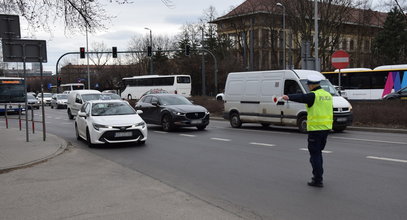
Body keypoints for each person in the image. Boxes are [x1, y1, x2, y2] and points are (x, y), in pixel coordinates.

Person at [281, 75, 333, 187]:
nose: (308, 87)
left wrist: (288, 97)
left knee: (315, 155)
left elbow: (301, 97)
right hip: (326, 128)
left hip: (315, 129)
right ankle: (318, 176)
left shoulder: (313, 95)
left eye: (308, 85)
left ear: (312, 84)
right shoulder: (327, 95)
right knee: (318, 154)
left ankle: (318, 179)